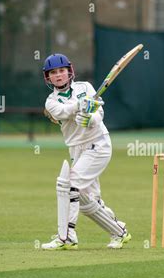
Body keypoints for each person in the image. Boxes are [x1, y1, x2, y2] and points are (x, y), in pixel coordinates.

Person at [40, 53, 131, 250]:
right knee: (87, 201)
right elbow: (63, 113)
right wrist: (79, 106)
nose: (58, 75)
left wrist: (91, 120)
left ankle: (67, 237)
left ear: (69, 71)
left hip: (98, 144)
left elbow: (99, 111)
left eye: (61, 71)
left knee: (70, 185)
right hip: (76, 149)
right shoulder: (50, 101)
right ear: (48, 78)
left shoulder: (85, 88)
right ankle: (119, 231)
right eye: (53, 73)